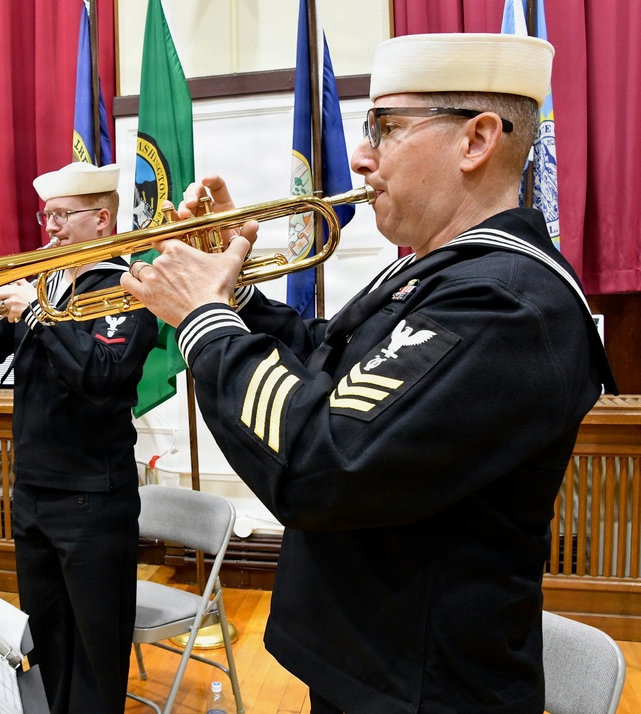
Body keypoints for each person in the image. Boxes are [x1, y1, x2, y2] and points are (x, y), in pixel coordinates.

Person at [120, 33, 617, 713]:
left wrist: (204, 319)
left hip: (425, 691)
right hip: (372, 670)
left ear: (476, 140)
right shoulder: (440, 273)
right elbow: (328, 361)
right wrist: (232, 291)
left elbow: (323, 459)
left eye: (385, 127)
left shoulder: (504, 302)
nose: (361, 155)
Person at [0, 161, 158, 714]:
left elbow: (101, 375)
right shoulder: (46, 285)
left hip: (92, 495)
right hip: (33, 491)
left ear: (102, 220)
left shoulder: (127, 288)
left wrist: (37, 316)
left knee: (94, 648)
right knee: (46, 637)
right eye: (47, 216)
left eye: (63, 216)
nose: (51, 227)